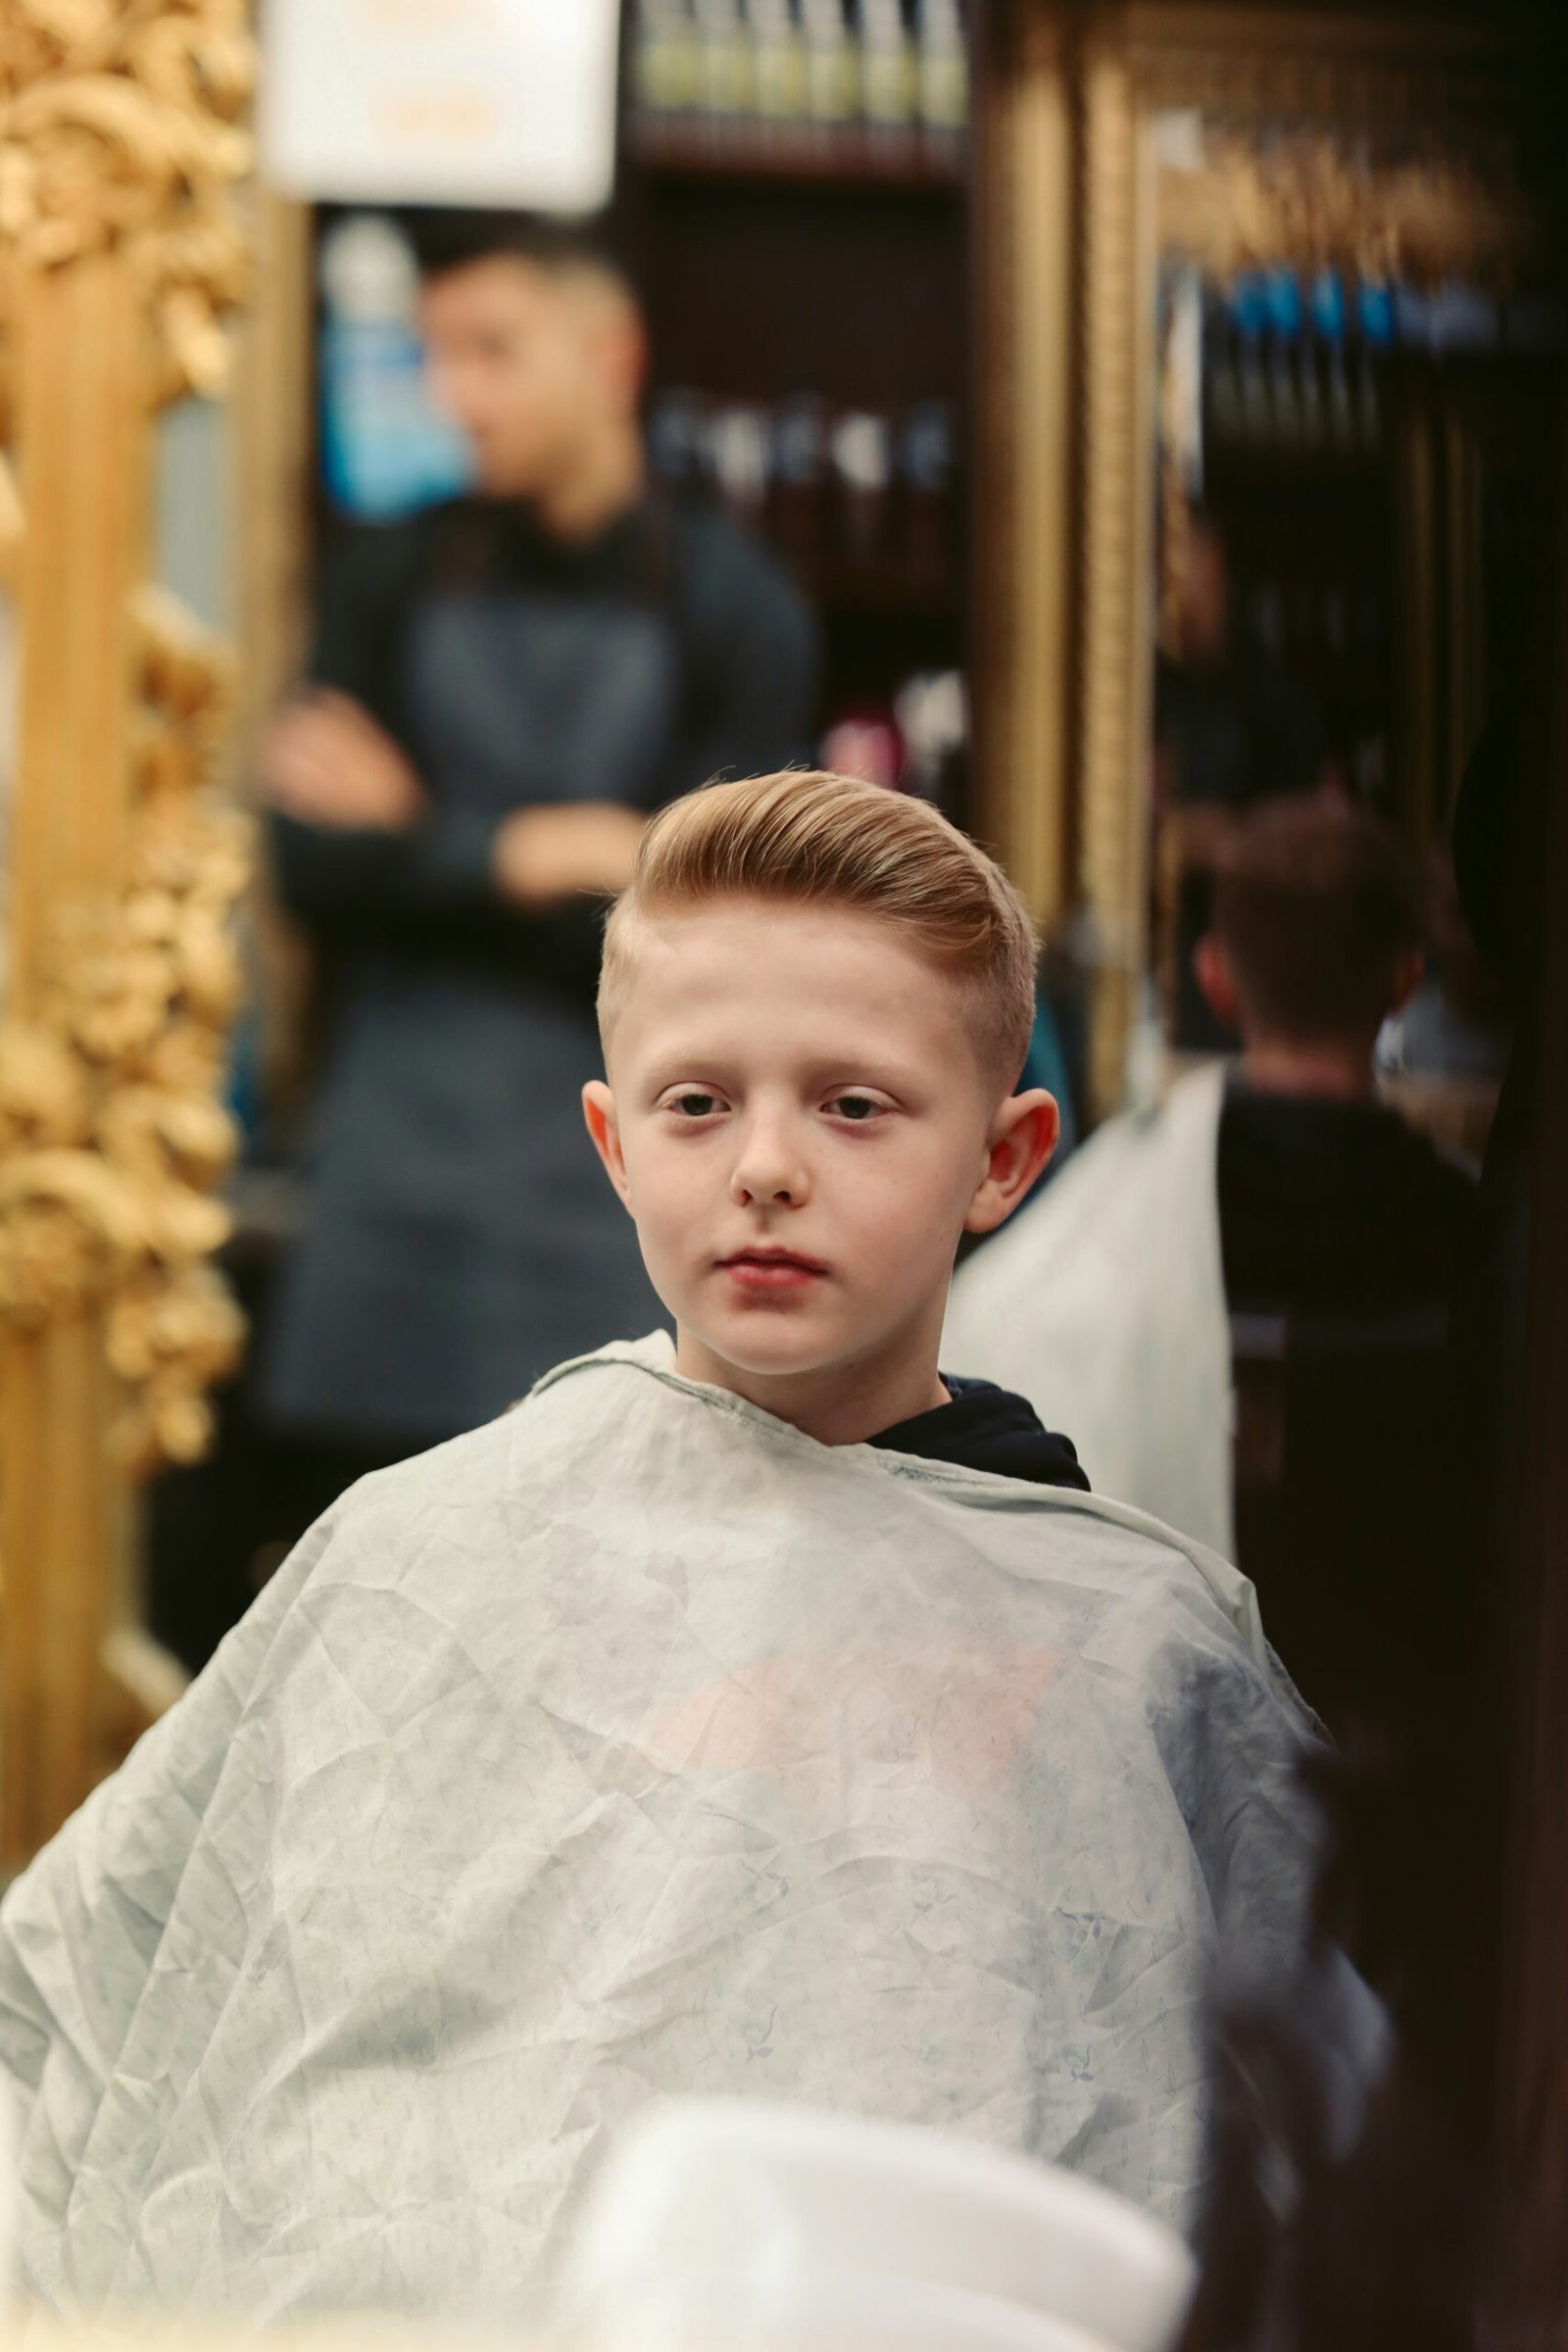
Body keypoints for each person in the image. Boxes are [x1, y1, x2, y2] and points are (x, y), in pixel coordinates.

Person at [0, 773, 1317, 2327]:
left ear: (1004, 1157)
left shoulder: (1140, 1637)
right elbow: (83, 2002)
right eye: (699, 1104)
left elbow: (1312, 2134)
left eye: (854, 1103)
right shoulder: (418, 1553)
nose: (767, 1164)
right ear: (615, 1145)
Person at [256, 210, 819, 1511]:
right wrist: (546, 850)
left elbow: (716, 938)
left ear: (608, 355)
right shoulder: (384, 573)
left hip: (607, 1196)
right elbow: (307, 868)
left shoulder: (738, 607)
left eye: (493, 350)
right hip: (387, 1184)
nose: (457, 393)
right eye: (437, 354)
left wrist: (420, 841)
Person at [945, 797, 1475, 1716]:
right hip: (1415, 1678)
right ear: (1405, 979)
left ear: (1216, 978)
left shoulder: (1126, 1218)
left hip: (1154, 1680)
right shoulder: (1460, 1227)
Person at [1154, 512, 1328, 1049]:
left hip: (1252, 952)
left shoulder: (1276, 700)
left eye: (1192, 568)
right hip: (1163, 945)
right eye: (1167, 575)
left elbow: (1304, 847)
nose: (1181, 590)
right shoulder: (1152, 689)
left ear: (1218, 571)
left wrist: (1224, 837)